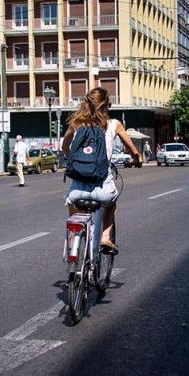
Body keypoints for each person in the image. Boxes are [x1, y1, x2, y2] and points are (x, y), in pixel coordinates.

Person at [61, 87, 142, 253]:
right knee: (111, 205)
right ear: (106, 106)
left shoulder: (76, 123)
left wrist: (74, 160)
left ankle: (72, 242)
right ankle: (105, 238)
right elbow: (132, 149)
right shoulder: (114, 125)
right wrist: (137, 159)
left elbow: (65, 147)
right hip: (103, 189)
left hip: (77, 191)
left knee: (72, 204)